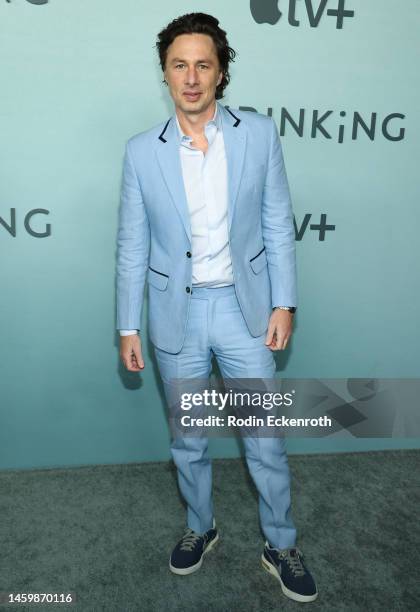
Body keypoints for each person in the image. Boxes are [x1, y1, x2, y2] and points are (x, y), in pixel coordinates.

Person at [116, 12, 318, 604]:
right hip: (175, 314)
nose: (191, 77)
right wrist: (128, 323)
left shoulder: (257, 133)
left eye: (203, 64)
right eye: (179, 64)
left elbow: (279, 220)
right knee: (189, 437)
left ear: (221, 71)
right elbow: (132, 242)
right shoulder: (140, 152)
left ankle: (280, 543)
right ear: (165, 73)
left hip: (244, 309)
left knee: (264, 438)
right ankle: (199, 528)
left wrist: (285, 302)